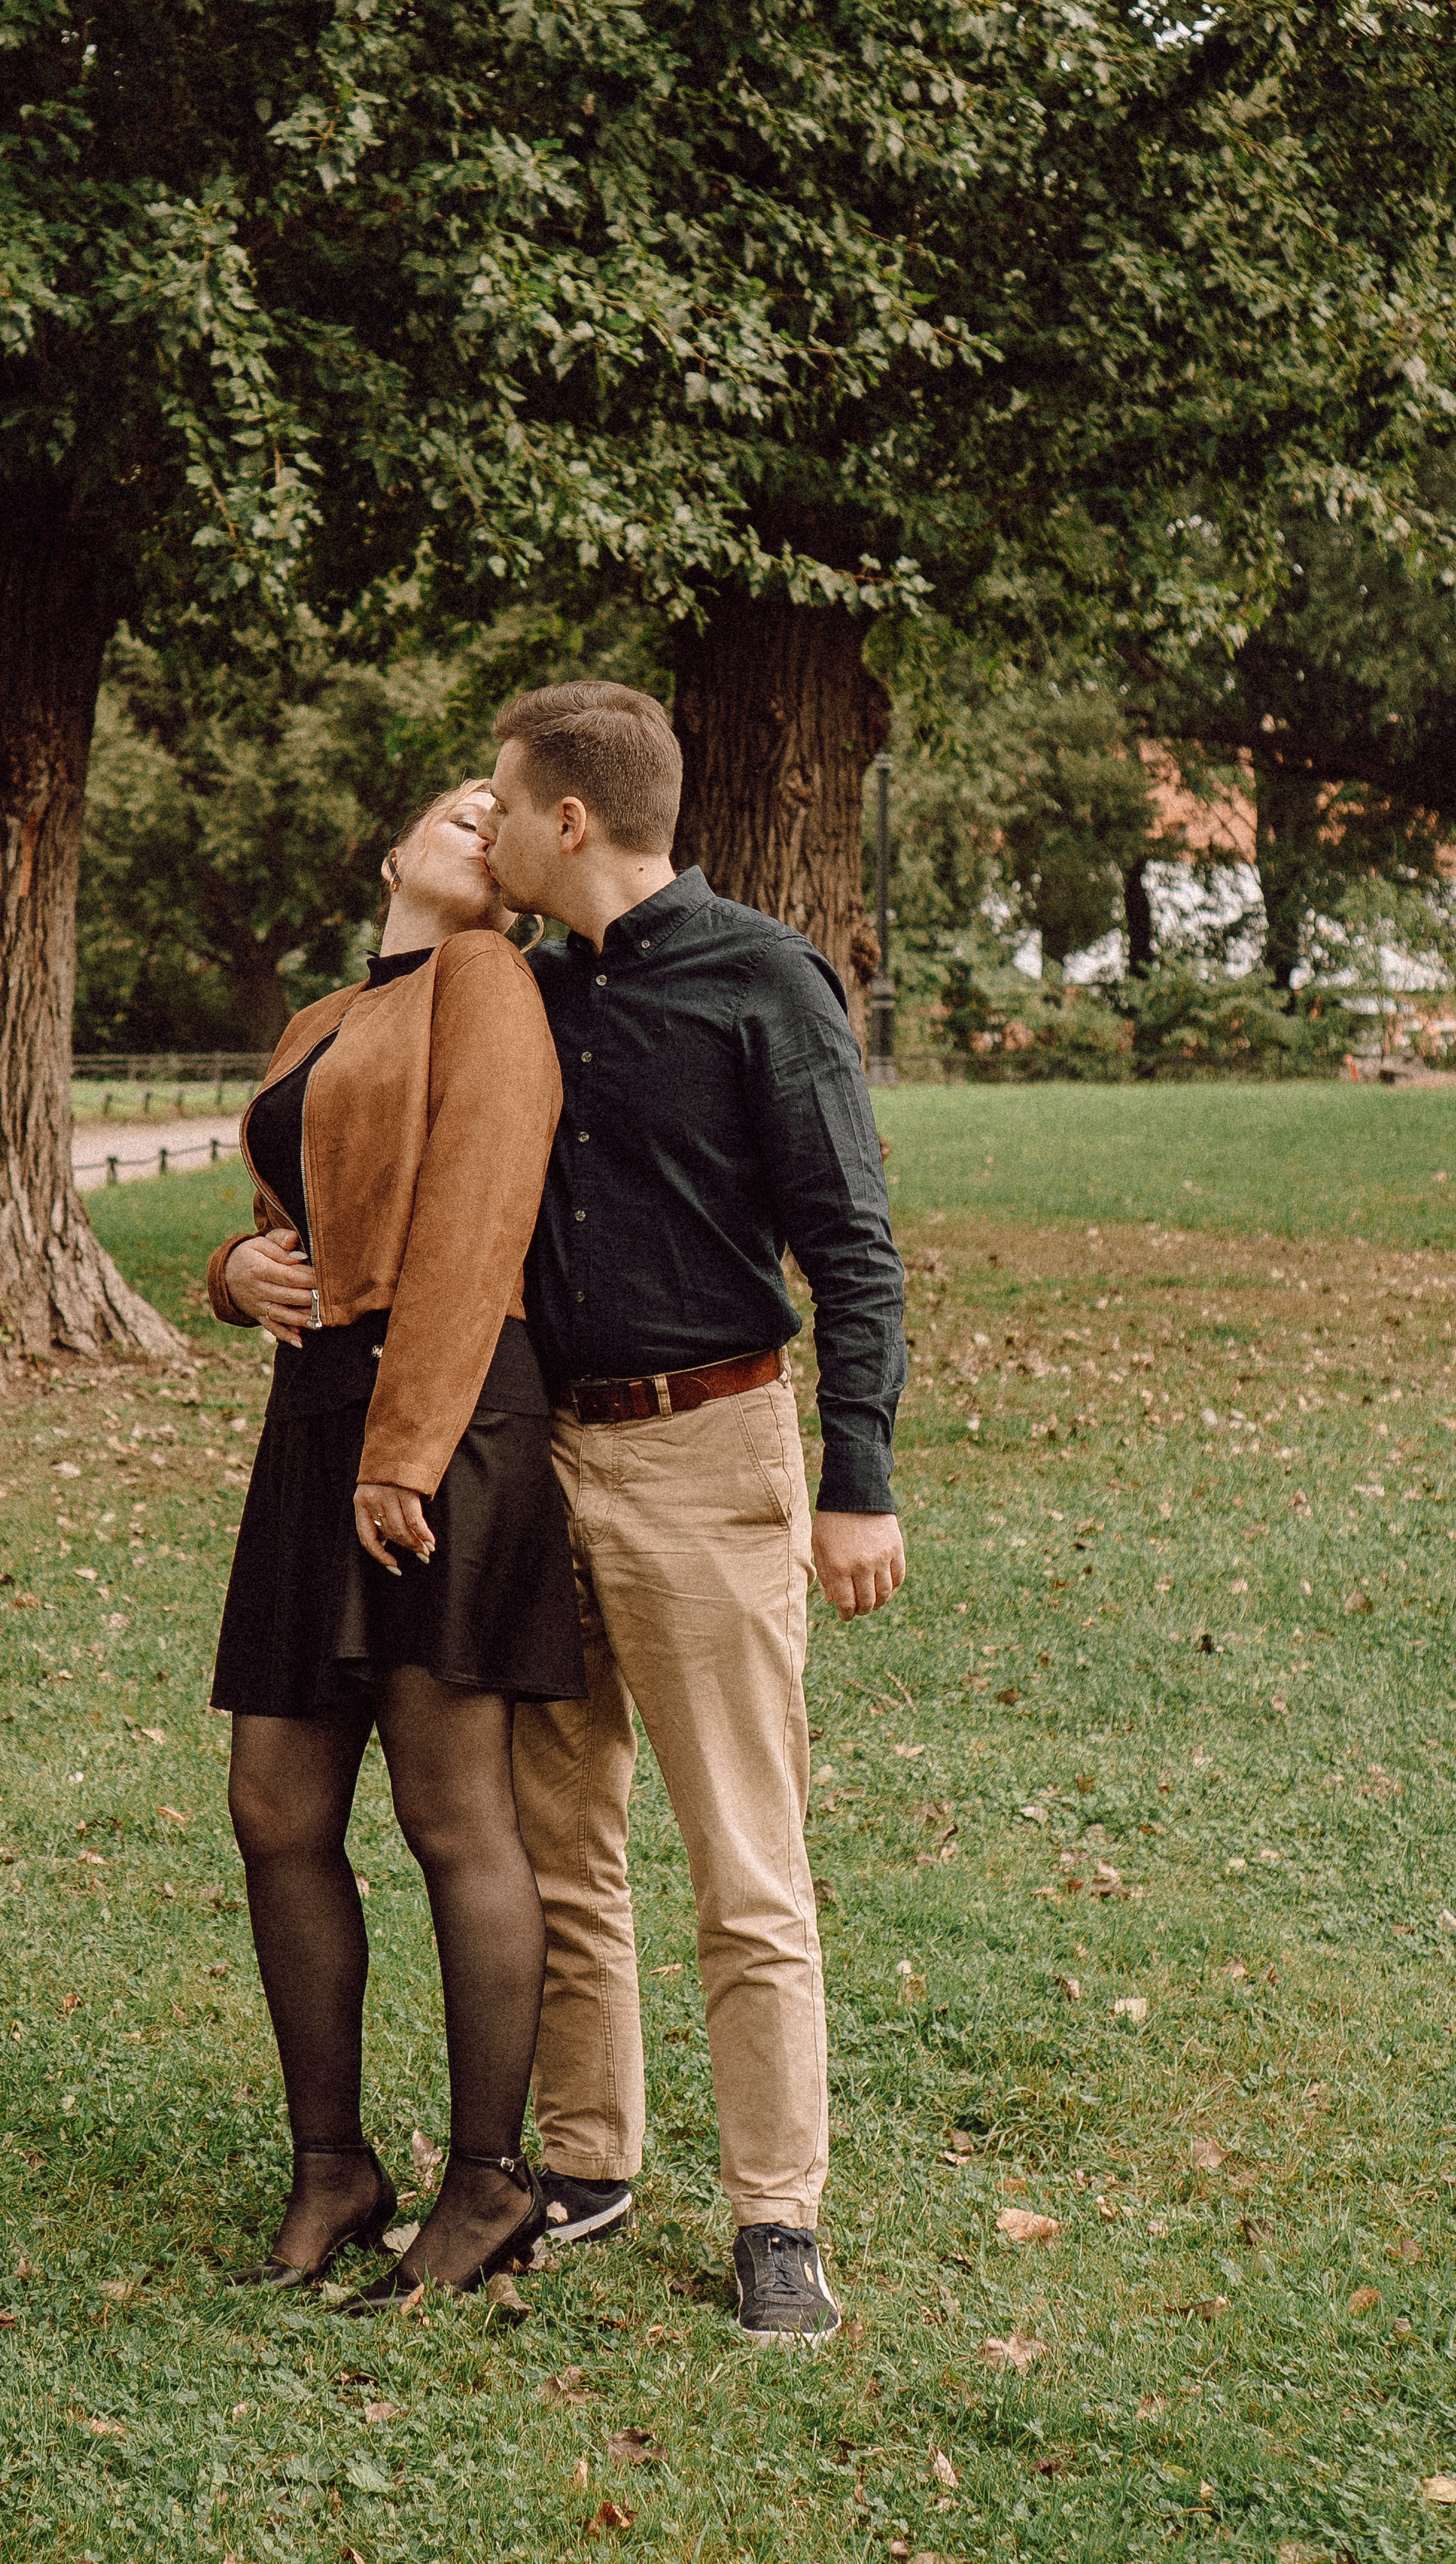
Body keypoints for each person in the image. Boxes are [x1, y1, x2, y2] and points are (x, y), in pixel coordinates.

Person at [474, 681, 909, 2345]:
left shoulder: (764, 979)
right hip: (539, 1460)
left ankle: (775, 2216)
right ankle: (588, 2161)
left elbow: (851, 1244)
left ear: (571, 818)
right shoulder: (517, 991)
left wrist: (856, 1483)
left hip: (710, 1453)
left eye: (504, 804)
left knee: (744, 1856)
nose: (489, 830)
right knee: (559, 1836)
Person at [205, 779, 585, 2309]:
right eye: (459, 805)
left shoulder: (487, 981)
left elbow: (479, 1222)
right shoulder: (324, 1016)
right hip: (314, 1427)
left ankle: (489, 2182)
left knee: (450, 1811)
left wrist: (407, 1449)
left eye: (508, 816)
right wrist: (232, 1272)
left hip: (441, 1420)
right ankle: (332, 2168)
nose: (484, 822)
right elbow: (291, 1214)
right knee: (273, 1804)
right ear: (393, 853)